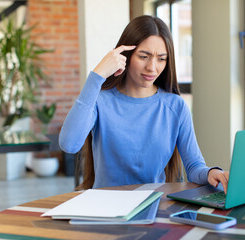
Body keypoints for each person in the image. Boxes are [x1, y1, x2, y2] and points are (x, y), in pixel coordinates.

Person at [59, 15, 229, 191]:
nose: (152, 68)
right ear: (125, 56)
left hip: (156, 206)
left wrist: (211, 172)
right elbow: (69, 144)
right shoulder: (100, 100)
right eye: (143, 56)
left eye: (161, 59)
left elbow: (194, 166)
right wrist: (97, 75)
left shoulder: (175, 106)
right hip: (106, 209)